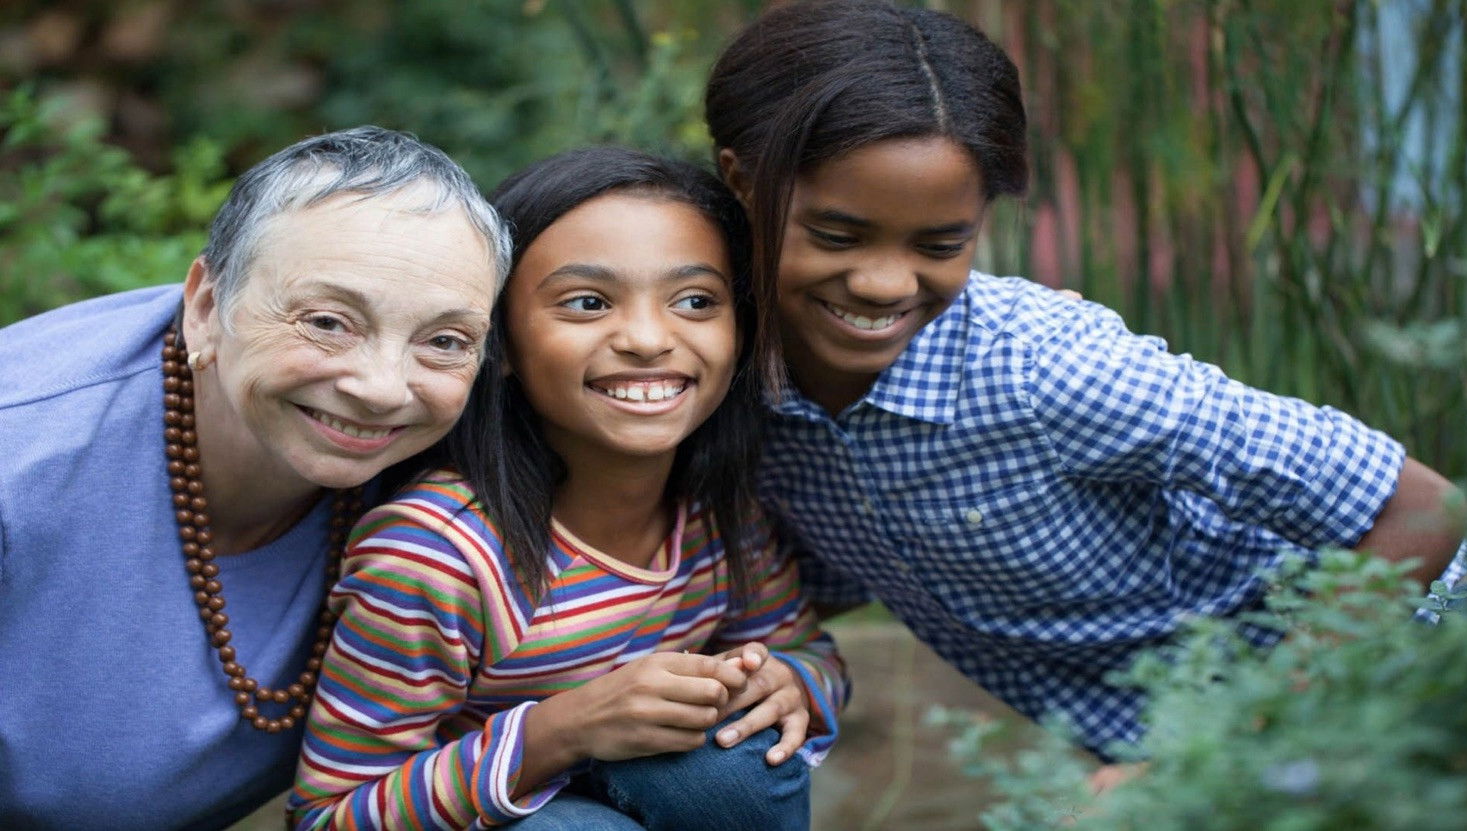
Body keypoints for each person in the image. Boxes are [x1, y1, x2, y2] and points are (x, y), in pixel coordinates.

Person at [701, 0, 1467, 765]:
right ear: (740, 180)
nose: (882, 282)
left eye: (941, 243)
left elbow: (1423, 509)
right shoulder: (727, 394)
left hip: (1396, 680)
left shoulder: (1051, 371)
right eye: (837, 235)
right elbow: (830, 572)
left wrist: (1210, 758)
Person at [288, 147, 848, 830]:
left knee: (740, 762)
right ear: (498, 346)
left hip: (629, 789)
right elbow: (325, 817)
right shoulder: (436, 556)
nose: (647, 338)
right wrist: (559, 730)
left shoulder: (715, 513)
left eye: (695, 300)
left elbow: (817, 658)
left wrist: (785, 683)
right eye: (588, 302)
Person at [0, 126, 511, 830]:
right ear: (207, 306)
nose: (382, 387)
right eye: (330, 321)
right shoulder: (21, 456)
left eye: (445, 340)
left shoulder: (455, 467)